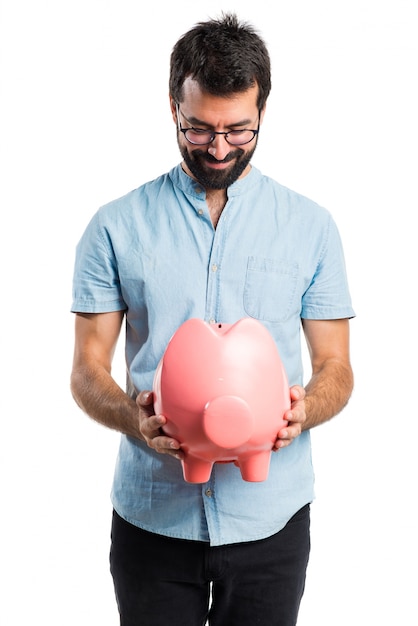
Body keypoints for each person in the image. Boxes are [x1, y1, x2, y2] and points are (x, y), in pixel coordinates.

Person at [70, 12, 355, 626]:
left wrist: (308, 409)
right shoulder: (115, 226)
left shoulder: (312, 227)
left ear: (262, 113)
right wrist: (132, 418)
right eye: (199, 129)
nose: (219, 147)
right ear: (172, 107)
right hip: (153, 517)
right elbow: (86, 370)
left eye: (239, 130)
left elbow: (337, 366)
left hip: (271, 519)